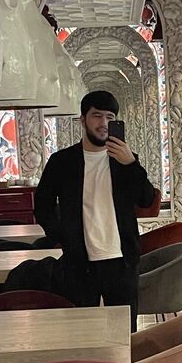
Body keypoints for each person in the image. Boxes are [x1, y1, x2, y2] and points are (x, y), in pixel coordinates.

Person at [34, 90, 155, 332]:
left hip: (121, 261)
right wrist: (63, 236)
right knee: (81, 331)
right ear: (83, 119)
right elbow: (42, 205)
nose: (104, 123)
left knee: (124, 333)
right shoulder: (62, 162)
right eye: (97, 116)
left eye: (110, 117)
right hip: (79, 263)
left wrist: (131, 165)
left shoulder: (125, 161)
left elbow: (146, 200)